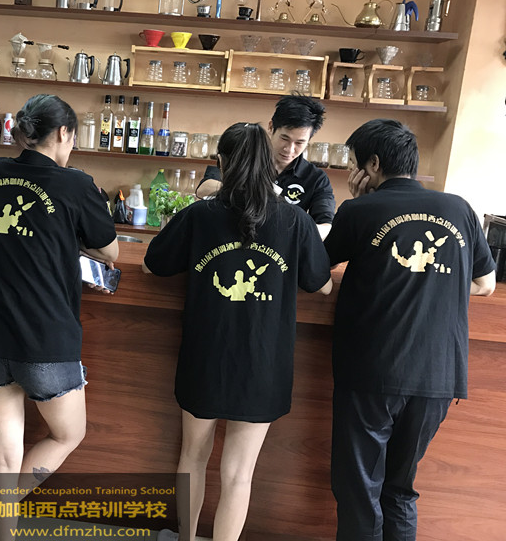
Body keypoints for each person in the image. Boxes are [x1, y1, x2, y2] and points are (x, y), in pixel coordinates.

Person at [143, 123, 333, 541]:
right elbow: (321, 285)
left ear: (222, 163)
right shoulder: (296, 220)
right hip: (264, 362)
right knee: (238, 474)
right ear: (270, 164)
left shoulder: (199, 215)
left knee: (192, 457)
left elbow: (151, 264)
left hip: (205, 356)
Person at [323, 119, 496, 541]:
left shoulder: (358, 210)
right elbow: (485, 284)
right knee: (399, 490)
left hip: (373, 372)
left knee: (359, 489)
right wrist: (434, 285)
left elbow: (317, 273)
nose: (353, 170)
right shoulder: (460, 208)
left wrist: (360, 205)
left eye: (355, 163)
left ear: (373, 164)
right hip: (439, 376)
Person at [0, 94, 118, 541]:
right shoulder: (77, 184)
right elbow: (110, 250)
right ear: (64, 133)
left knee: (3, 457)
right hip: (47, 339)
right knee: (67, 435)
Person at [196, 94, 335, 239]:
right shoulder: (246, 156)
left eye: (299, 143)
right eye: (284, 138)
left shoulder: (316, 178)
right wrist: (259, 194)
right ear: (271, 127)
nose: (289, 149)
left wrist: (291, 233)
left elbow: (325, 226)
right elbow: (204, 188)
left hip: (283, 247)